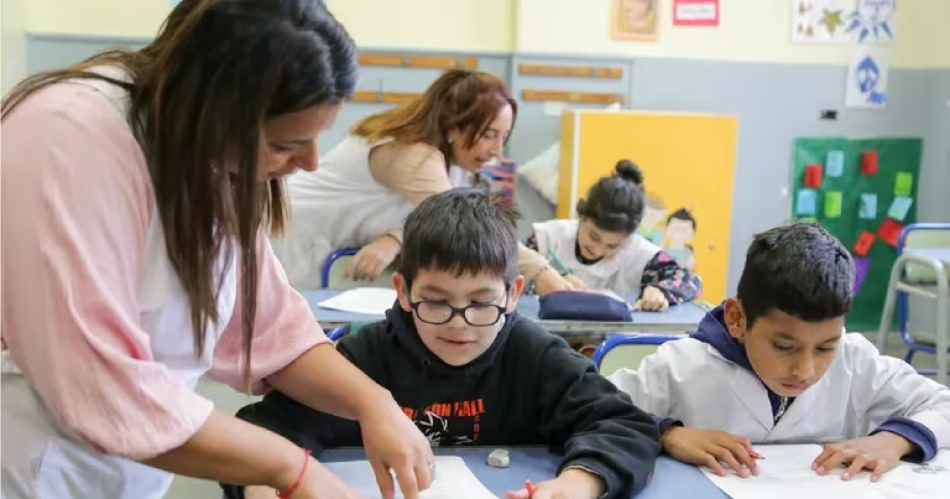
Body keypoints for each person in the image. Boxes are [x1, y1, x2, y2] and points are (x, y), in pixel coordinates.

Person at [0, 2, 436, 498]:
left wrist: (372, 403)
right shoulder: (67, 139)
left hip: (124, 467)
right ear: (212, 110)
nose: (311, 163)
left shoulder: (207, 157)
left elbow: (268, 329)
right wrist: (292, 469)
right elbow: (96, 382)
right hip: (31, 465)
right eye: (283, 143)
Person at [224, 189, 661, 499]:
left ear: (513, 293)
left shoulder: (535, 354)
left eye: (481, 303)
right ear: (402, 290)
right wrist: (265, 486)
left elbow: (624, 425)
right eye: (435, 302)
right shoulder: (366, 357)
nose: (460, 324)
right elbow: (265, 430)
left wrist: (578, 485)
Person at [609, 223, 950, 482]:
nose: (805, 369)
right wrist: (668, 433)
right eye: (784, 346)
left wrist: (896, 439)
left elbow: (944, 405)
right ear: (737, 319)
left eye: (825, 347)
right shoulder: (681, 366)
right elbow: (594, 409)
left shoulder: (856, 361)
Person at [271, 69, 576, 295]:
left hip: (328, 251)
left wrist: (394, 238)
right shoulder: (412, 154)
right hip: (292, 237)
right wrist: (541, 272)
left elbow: (449, 216)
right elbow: (462, 223)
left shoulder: (454, 160)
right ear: (453, 126)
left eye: (503, 137)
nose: (497, 151)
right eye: (489, 135)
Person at [526, 160, 702, 311]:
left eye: (613, 246)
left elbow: (690, 282)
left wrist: (660, 291)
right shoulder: (546, 238)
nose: (598, 249)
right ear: (582, 214)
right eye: (594, 236)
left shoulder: (643, 256)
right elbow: (509, 276)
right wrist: (543, 279)